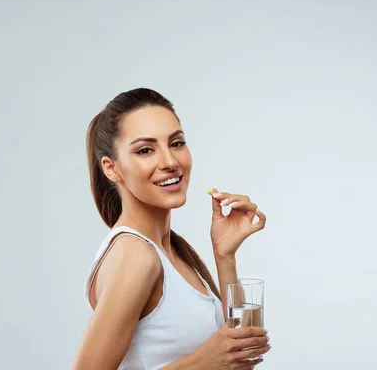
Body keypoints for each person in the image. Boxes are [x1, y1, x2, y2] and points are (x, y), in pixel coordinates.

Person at [72, 88, 271, 369]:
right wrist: (201, 361)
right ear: (111, 168)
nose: (170, 162)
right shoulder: (136, 256)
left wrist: (225, 257)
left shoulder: (170, 252)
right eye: (145, 150)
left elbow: (233, 361)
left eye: (176, 143)